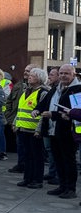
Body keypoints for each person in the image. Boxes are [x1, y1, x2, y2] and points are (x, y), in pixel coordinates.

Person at [35, 64, 81, 199]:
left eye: (66, 73)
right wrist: (37, 109)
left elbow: (74, 112)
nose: (63, 76)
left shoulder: (77, 90)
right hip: (53, 129)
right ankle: (62, 186)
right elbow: (45, 102)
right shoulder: (56, 88)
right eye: (61, 73)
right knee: (58, 159)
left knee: (69, 160)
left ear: (74, 74)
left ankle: (70, 189)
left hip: (68, 131)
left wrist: (53, 115)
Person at [14, 68, 49, 189]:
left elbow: (43, 112)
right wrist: (16, 123)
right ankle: (27, 178)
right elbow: (21, 109)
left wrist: (39, 130)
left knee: (37, 156)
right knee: (27, 155)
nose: (29, 76)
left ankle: (37, 180)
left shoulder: (42, 92)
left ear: (39, 78)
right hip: (23, 128)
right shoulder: (26, 91)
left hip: (34, 130)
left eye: (33, 75)